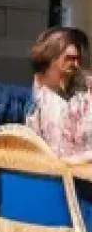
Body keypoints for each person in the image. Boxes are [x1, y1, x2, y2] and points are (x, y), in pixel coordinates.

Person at [27, 27, 92, 160]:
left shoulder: (86, 89)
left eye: (78, 59)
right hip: (50, 169)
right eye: (70, 58)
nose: (76, 64)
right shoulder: (38, 95)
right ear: (51, 58)